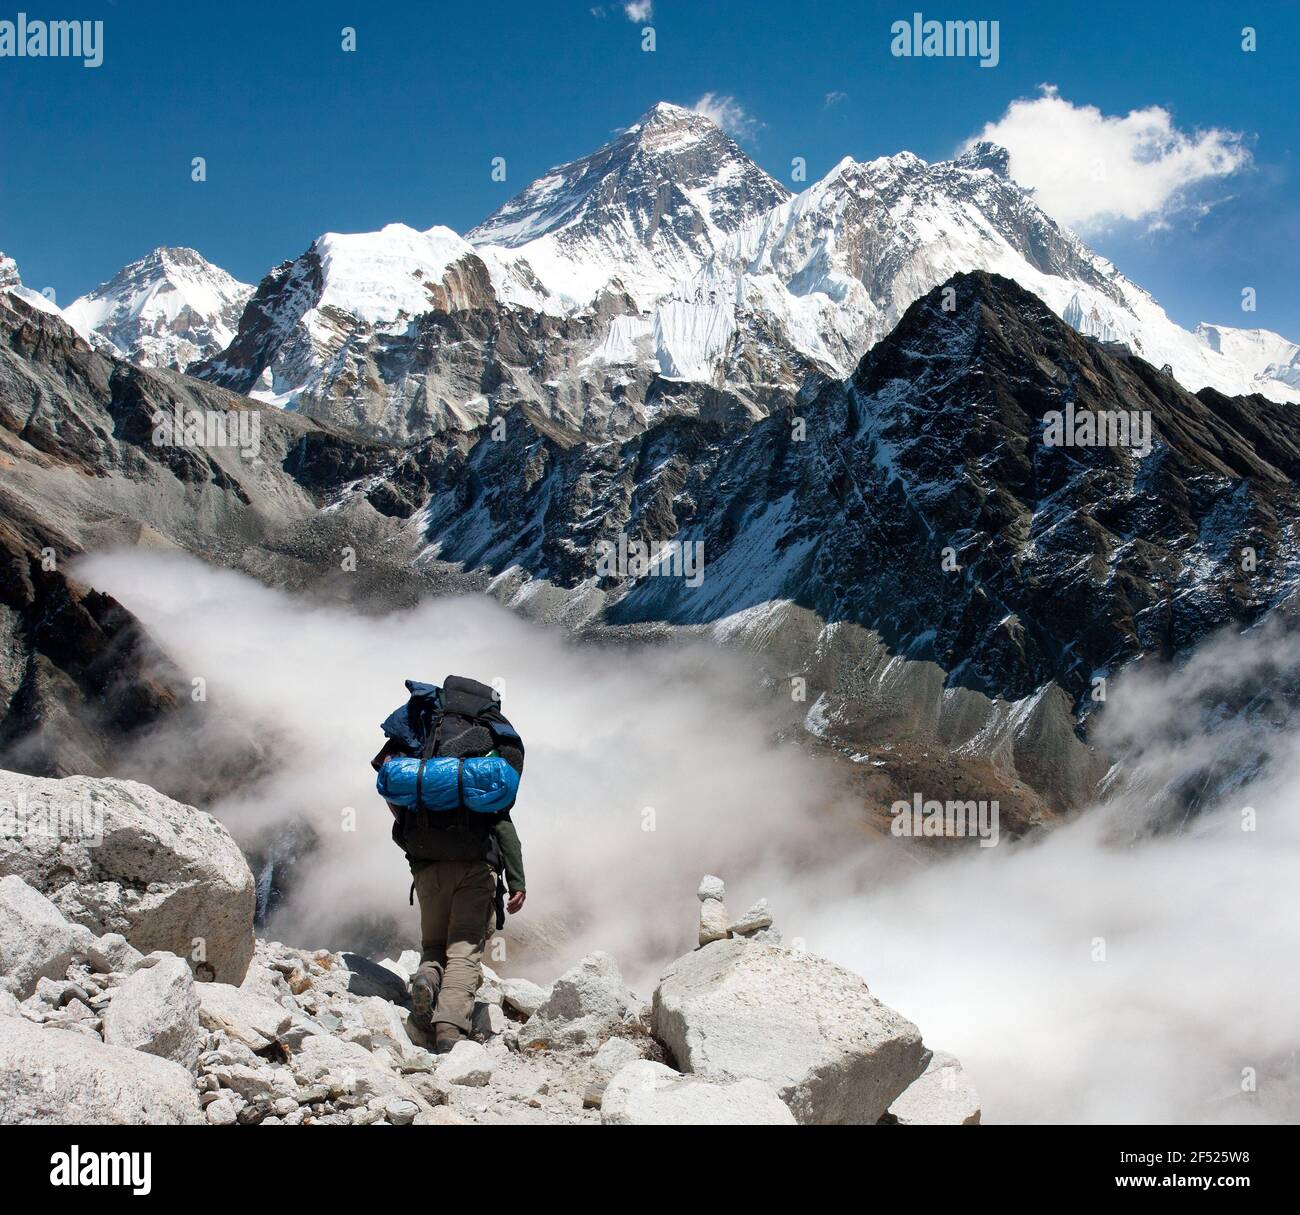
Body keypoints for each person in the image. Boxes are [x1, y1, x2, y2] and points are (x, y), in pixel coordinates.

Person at [371, 677, 526, 1054]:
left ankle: (426, 977)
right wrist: (517, 879)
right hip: (475, 868)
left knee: (435, 945)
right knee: (464, 949)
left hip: (427, 868)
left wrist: (413, 848)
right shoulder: (481, 765)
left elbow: (400, 808)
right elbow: (502, 824)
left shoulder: (423, 753)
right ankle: (449, 1031)